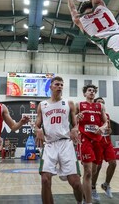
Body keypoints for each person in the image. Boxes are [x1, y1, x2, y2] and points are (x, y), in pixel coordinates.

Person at [34, 76, 83, 204]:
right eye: (57, 84)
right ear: (51, 87)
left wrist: (75, 128)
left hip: (66, 144)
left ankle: (80, 202)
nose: (60, 86)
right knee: (45, 180)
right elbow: (37, 124)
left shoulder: (69, 103)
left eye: (61, 84)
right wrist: (37, 130)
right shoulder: (42, 105)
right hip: (50, 144)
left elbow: (75, 123)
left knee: (76, 182)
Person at [77, 84, 108, 204]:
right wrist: (76, 117)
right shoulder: (78, 105)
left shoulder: (100, 106)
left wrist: (102, 128)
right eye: (89, 90)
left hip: (97, 140)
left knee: (94, 171)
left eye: (94, 91)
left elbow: (106, 123)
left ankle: (86, 192)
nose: (92, 92)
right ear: (85, 93)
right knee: (88, 171)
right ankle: (88, 202)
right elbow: (71, 121)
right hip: (85, 139)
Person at [91, 97, 116, 202]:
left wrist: (109, 130)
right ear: (95, 104)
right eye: (99, 102)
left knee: (113, 163)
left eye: (102, 102)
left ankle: (106, 184)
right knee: (98, 167)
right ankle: (92, 188)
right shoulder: (91, 115)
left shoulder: (107, 115)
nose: (101, 104)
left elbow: (109, 130)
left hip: (108, 143)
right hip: (97, 143)